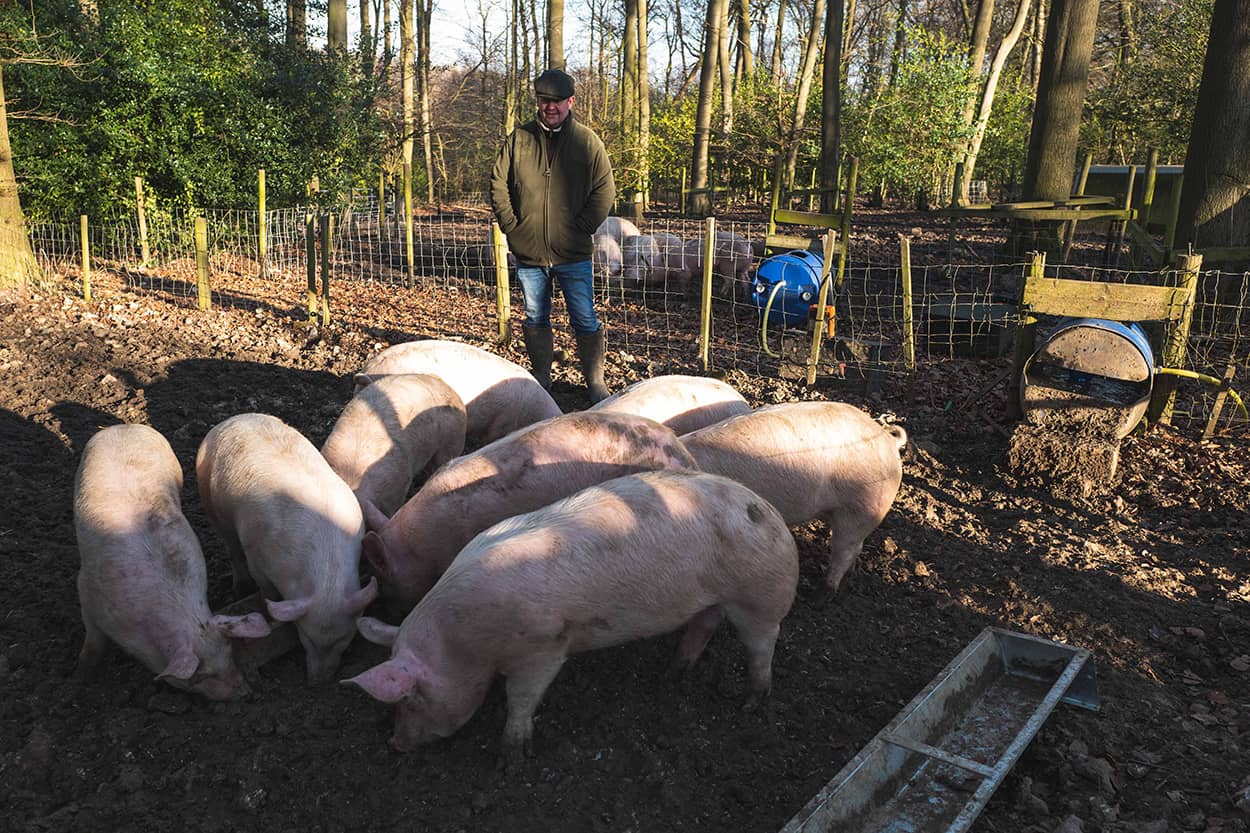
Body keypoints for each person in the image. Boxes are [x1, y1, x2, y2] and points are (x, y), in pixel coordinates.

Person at [490, 68, 616, 403]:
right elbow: (498, 183)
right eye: (545, 101)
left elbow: (605, 189)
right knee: (535, 316)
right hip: (529, 253)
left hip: (573, 253)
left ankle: (595, 381)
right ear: (538, 102)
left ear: (570, 102)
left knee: (585, 316)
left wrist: (583, 226)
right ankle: (542, 378)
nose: (550, 107)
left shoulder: (586, 142)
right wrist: (512, 227)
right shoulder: (519, 139)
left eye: (557, 101)